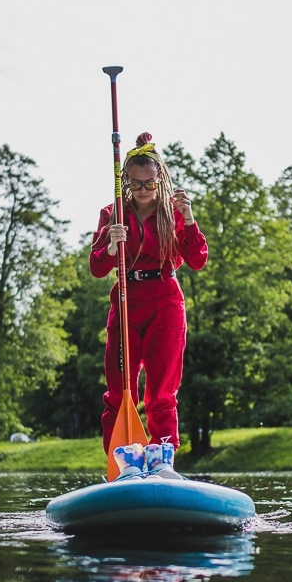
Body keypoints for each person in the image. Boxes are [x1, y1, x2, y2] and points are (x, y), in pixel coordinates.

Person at [89, 132, 208, 473]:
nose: (143, 190)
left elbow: (197, 259)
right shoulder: (113, 213)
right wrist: (110, 246)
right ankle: (123, 462)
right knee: (119, 392)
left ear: (160, 180)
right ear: (125, 182)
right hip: (126, 303)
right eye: (136, 184)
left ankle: (161, 460)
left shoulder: (173, 212)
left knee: (162, 392)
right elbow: (97, 268)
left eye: (149, 183)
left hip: (165, 302)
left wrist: (189, 220)